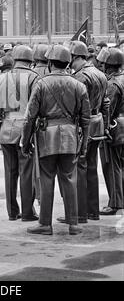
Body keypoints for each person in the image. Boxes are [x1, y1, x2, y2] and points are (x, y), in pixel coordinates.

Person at [21, 45, 91, 235]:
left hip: (47, 136)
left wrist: (25, 142)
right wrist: (84, 144)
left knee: (46, 179)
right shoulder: (79, 85)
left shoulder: (41, 84)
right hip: (70, 136)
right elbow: (86, 119)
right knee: (69, 179)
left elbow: (30, 117)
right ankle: (73, 223)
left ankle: (45, 224)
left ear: (51, 63)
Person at [57, 41, 109, 223]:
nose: (69, 62)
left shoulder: (79, 77)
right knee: (91, 168)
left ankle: (79, 213)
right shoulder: (100, 74)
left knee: (78, 169)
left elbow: (76, 106)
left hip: (83, 126)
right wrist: (107, 124)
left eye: (71, 58)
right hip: (98, 123)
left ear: (77, 57)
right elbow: (106, 103)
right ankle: (92, 211)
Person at [0, 46, 39, 222]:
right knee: (26, 172)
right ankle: (27, 212)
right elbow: (36, 108)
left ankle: (12, 212)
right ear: (30, 60)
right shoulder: (34, 77)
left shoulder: (0, 78)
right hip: (25, 128)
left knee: (10, 172)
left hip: (6, 128)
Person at [97, 48, 124, 215]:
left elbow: (108, 110)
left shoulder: (112, 84)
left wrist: (104, 128)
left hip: (116, 128)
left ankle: (115, 203)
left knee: (112, 166)